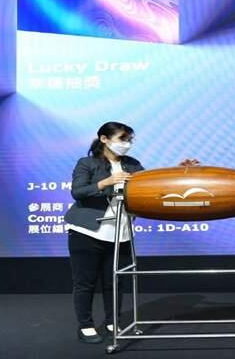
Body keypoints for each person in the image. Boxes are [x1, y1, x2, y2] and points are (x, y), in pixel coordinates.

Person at [65, 121, 199, 343]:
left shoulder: (132, 164)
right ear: (104, 139)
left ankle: (112, 321)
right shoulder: (87, 163)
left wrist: (179, 170)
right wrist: (106, 182)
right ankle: (86, 325)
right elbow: (78, 192)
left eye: (129, 140)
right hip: (87, 232)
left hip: (120, 233)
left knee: (114, 281)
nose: (127, 144)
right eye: (122, 139)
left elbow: (152, 184)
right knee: (85, 282)